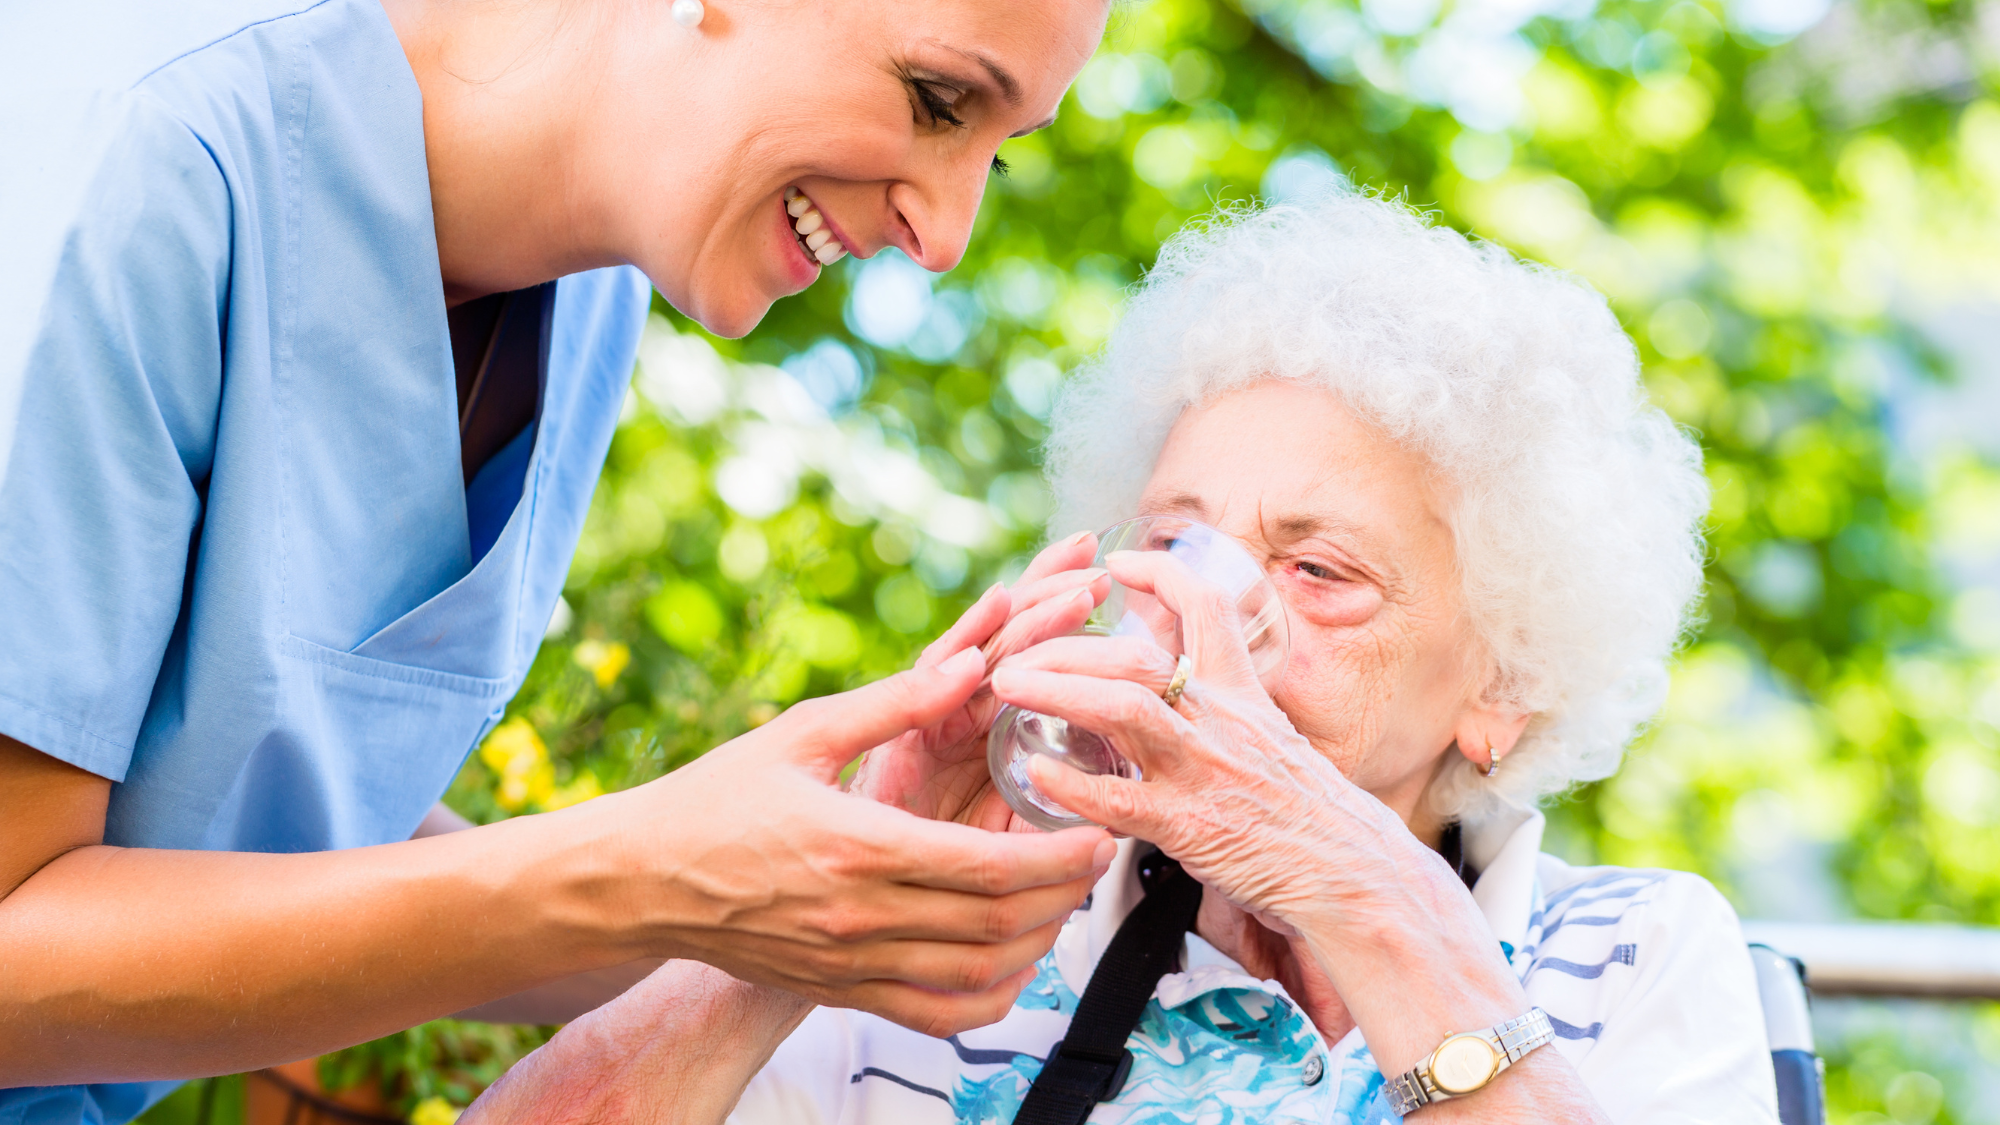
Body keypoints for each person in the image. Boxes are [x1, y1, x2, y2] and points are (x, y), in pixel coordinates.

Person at [0, 0, 1117, 1118]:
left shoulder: (592, 297)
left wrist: (808, 901)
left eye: (1000, 156)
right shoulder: (143, 153)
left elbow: (277, 817)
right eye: (935, 102)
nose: (947, 235)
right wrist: (640, 871)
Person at [459, 191, 1779, 1123]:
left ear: (1503, 687)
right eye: (1172, 544)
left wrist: (1351, 887)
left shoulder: (1634, 958)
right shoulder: (967, 959)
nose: (1217, 617)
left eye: (1319, 572)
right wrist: (826, 906)